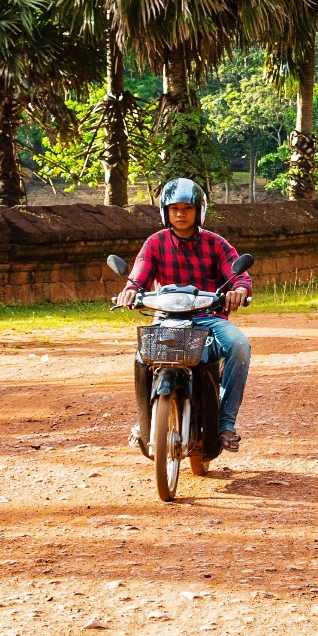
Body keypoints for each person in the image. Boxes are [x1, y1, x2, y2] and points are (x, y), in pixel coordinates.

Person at [116, 178, 253, 452]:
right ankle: (144, 422)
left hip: (208, 319)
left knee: (239, 346)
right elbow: (137, 278)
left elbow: (239, 276)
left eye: (187, 208)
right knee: (141, 357)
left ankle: (225, 424)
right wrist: (130, 292)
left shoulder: (216, 244)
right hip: (166, 319)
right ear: (165, 211)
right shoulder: (155, 243)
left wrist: (239, 289)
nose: (180, 214)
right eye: (174, 208)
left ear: (199, 211)